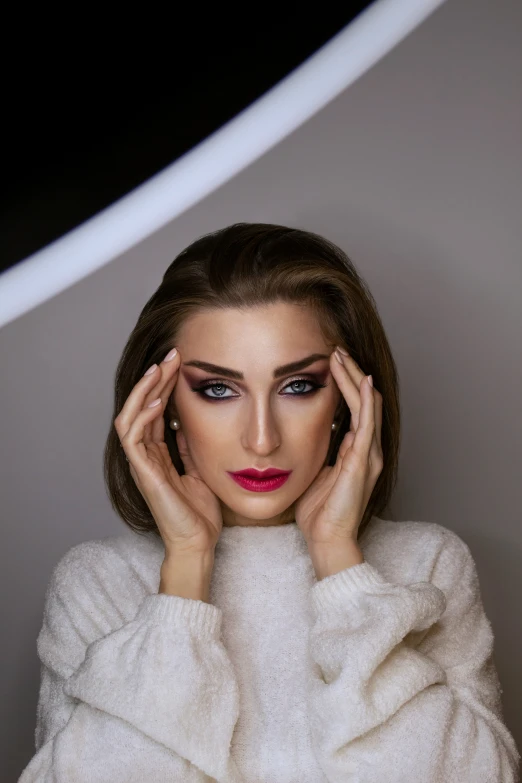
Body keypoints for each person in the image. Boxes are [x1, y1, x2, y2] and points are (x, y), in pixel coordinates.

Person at [19, 223, 520, 782]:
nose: (262, 439)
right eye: (217, 389)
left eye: (298, 386)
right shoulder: (98, 583)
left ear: (349, 401)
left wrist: (339, 562)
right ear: (165, 404)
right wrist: (186, 569)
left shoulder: (426, 566)